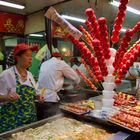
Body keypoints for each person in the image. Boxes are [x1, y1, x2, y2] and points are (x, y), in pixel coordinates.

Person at [0, 43, 44, 133]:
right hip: (12, 123)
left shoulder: (30, 75)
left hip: (30, 120)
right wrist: (7, 97)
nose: (31, 58)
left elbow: (34, 93)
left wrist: (38, 96)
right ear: (17, 57)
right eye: (27, 55)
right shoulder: (6, 74)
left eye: (31, 55)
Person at [37, 52, 80, 118]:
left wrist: (61, 84)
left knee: (42, 121)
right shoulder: (60, 63)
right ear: (60, 58)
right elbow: (75, 77)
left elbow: (50, 79)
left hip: (39, 96)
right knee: (51, 121)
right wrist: (77, 83)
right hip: (50, 98)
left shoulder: (44, 63)